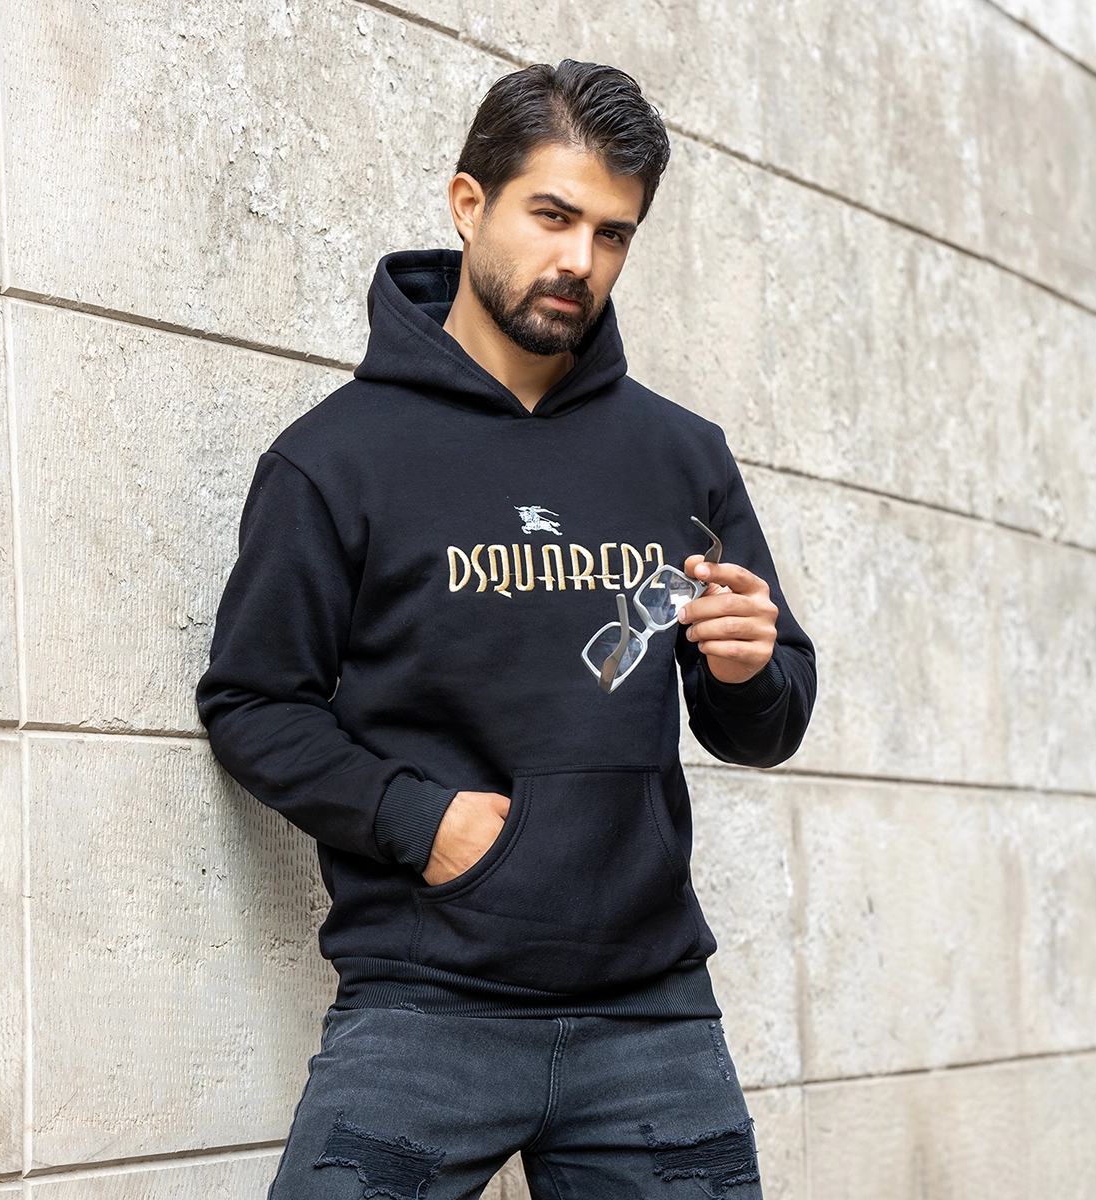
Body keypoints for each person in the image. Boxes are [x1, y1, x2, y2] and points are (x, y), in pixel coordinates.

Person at [198, 59, 815, 1200]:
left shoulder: (681, 455)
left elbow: (766, 719)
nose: (581, 259)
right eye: (553, 215)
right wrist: (417, 819)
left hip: (653, 1018)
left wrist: (750, 670)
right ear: (469, 203)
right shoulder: (335, 460)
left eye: (613, 234)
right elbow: (251, 702)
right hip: (426, 1005)